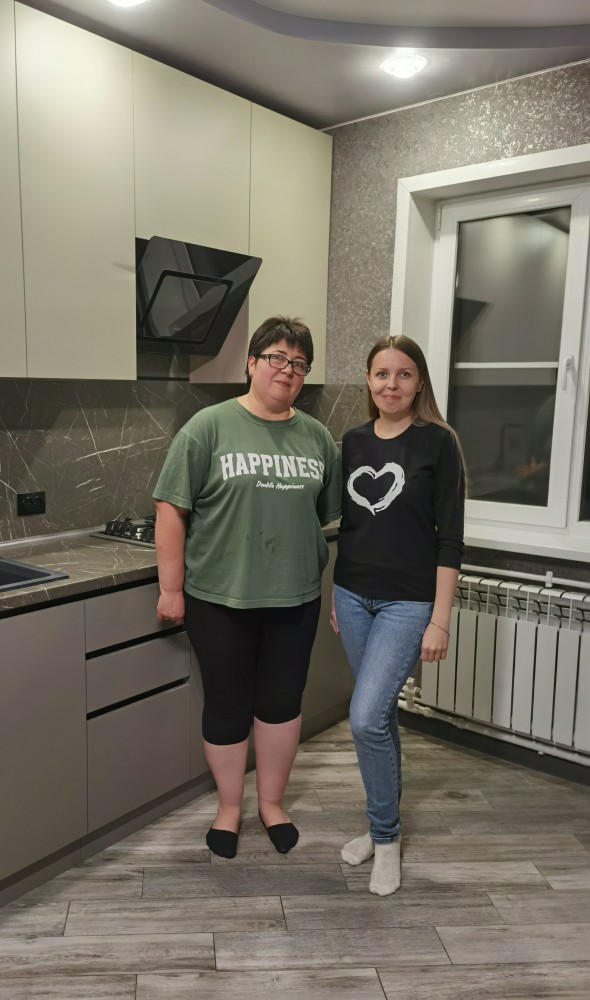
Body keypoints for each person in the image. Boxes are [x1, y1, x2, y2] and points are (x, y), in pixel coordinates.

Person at [154, 316, 341, 859]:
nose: (288, 370)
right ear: (252, 363)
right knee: (227, 705)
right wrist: (171, 588)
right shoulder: (207, 427)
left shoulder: (317, 437)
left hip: (295, 597)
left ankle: (272, 804)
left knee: (282, 705)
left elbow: (324, 515)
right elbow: (170, 509)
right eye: (277, 358)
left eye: (299, 363)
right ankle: (230, 808)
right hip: (219, 598)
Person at [331, 334, 465, 895]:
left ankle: (386, 840)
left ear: (419, 382)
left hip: (408, 603)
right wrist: (337, 594)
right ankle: (379, 826)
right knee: (380, 718)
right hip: (351, 596)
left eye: (403, 374)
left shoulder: (438, 442)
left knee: (365, 718)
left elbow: (450, 538)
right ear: (368, 380)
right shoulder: (353, 441)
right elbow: (351, 525)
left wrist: (440, 618)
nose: (392, 384)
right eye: (382, 374)